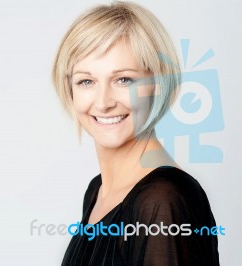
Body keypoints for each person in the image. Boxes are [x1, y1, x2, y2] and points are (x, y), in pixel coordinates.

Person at [51, 1, 220, 265]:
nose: (104, 102)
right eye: (86, 81)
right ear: (70, 89)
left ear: (156, 84)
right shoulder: (98, 191)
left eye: (124, 80)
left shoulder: (162, 199)